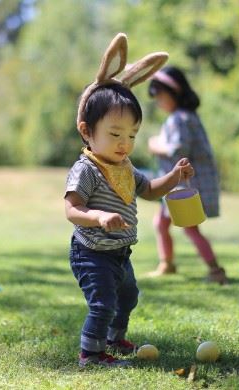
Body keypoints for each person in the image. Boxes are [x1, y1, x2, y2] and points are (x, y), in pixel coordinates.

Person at [64, 34, 194, 367]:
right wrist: (99, 217)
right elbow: (71, 209)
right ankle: (91, 355)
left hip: (120, 252)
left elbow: (149, 190)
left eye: (132, 135)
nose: (125, 143)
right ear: (86, 130)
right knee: (102, 303)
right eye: (115, 134)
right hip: (92, 252)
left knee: (129, 296)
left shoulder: (124, 167)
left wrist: (175, 178)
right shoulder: (87, 169)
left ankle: (114, 339)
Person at [147, 65, 228, 285]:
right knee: (161, 224)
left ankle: (215, 270)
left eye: (159, 95)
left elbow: (178, 149)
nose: (157, 101)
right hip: (180, 185)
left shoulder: (179, 118)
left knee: (190, 228)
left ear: (174, 92)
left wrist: (155, 145)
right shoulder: (186, 116)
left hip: (187, 185)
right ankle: (167, 264)